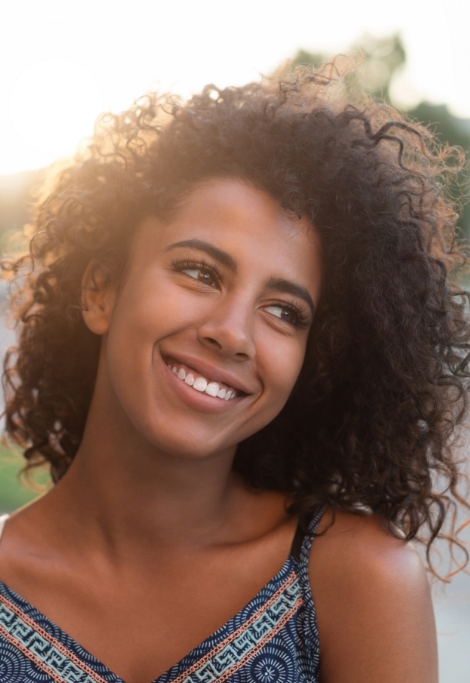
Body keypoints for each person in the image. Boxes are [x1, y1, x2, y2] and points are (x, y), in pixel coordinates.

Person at [0, 63, 468, 683]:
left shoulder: (353, 577)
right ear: (102, 291)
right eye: (199, 272)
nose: (233, 332)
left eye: (283, 311)